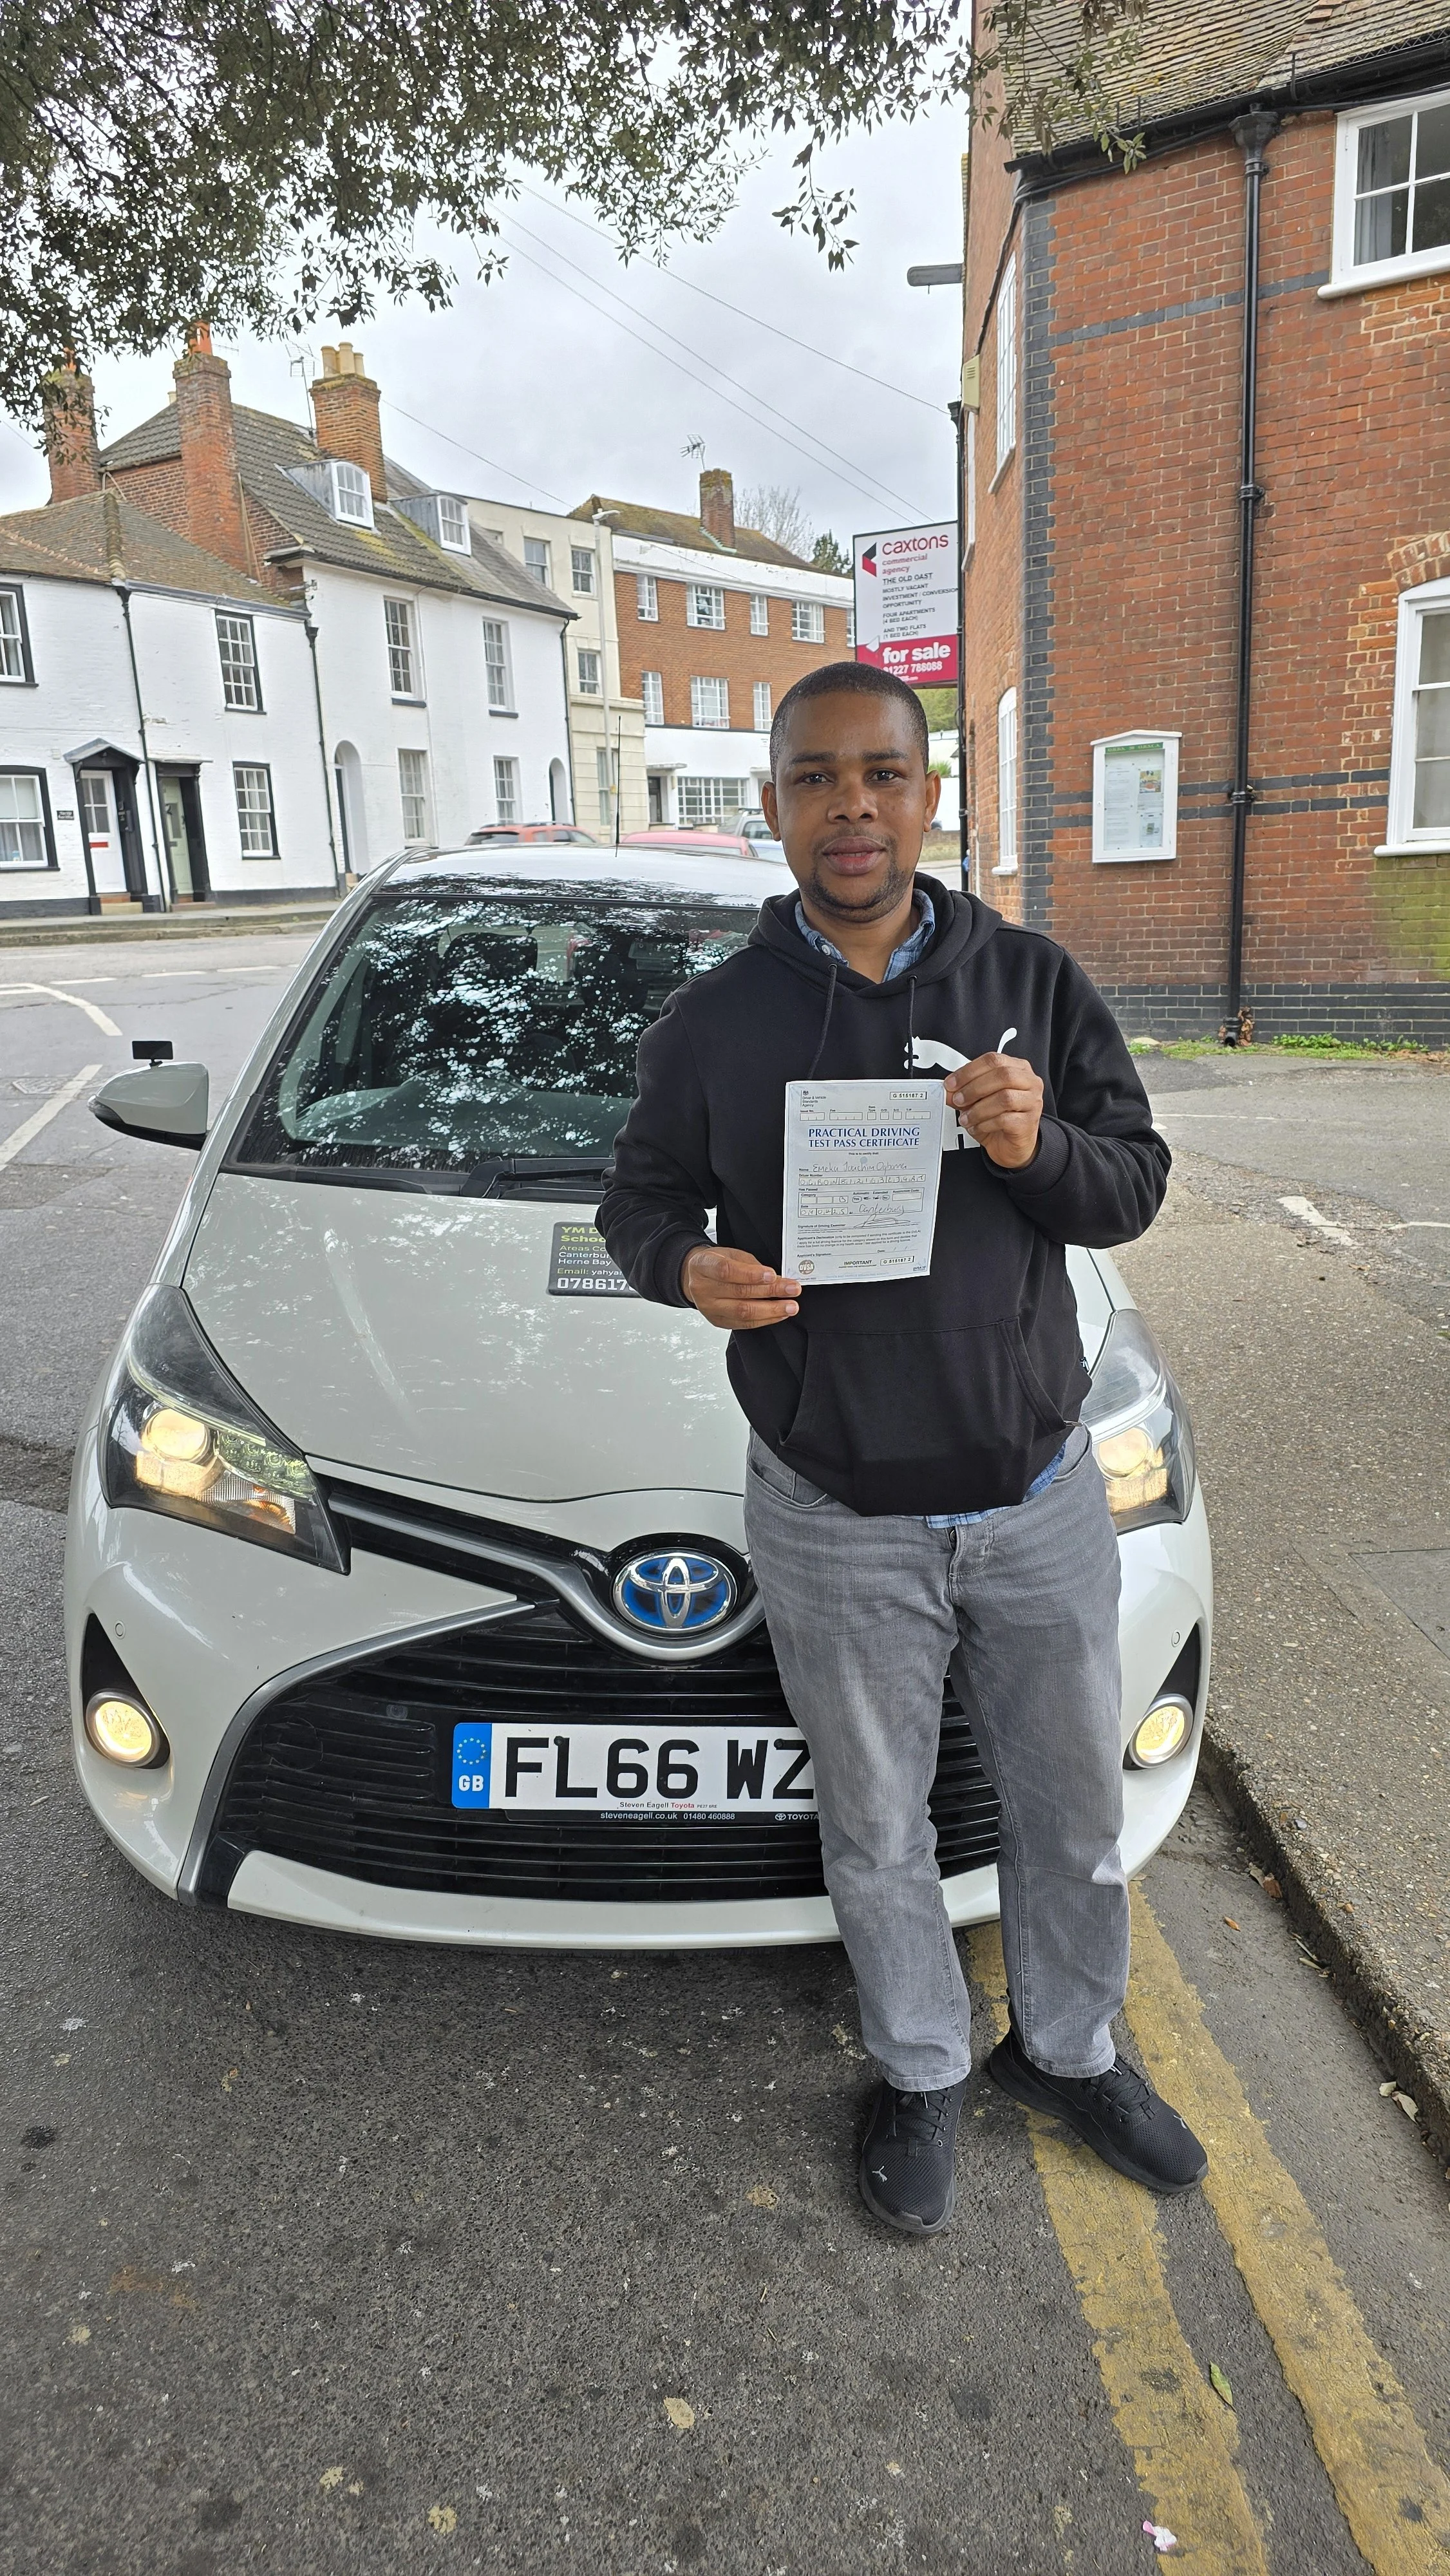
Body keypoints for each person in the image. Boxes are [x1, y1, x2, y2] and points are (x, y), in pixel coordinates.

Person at [599, 663, 1207, 2235]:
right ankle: (926, 2060)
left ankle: (1067, 2051)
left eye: (880, 773)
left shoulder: (1033, 980)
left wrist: (1035, 1144)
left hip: (1033, 1492)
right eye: (814, 778)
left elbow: (1129, 1184)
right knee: (875, 1824)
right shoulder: (713, 1024)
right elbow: (640, 1197)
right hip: (834, 1511)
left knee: (1069, 1814)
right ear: (777, 803)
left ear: (931, 794)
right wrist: (687, 1269)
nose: (850, 805)